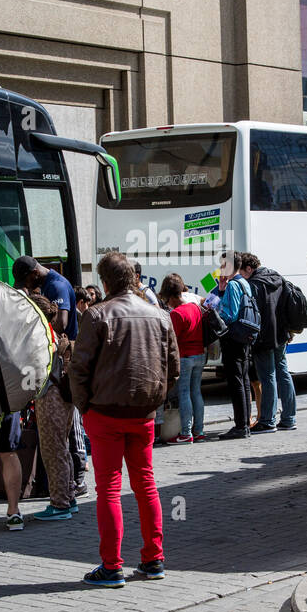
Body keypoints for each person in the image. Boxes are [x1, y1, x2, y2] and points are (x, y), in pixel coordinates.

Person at [70, 251, 179, 587]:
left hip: (105, 412)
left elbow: (79, 369)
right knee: (145, 484)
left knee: (109, 489)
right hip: (143, 412)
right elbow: (172, 367)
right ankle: (153, 559)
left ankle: (112, 565)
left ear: (104, 282)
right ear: (133, 278)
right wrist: (155, 398)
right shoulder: (159, 315)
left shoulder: (98, 315)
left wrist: (84, 406)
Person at [28, 293, 79, 520]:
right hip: (64, 396)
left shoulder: (41, 334)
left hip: (51, 396)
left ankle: (59, 505)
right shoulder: (54, 331)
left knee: (53, 450)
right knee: (62, 447)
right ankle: (69, 497)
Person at [241, 253, 296, 433]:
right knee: (283, 373)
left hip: (264, 337)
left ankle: (267, 420)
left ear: (249, 268)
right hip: (281, 335)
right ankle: (289, 418)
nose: (241, 275)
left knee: (267, 377)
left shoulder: (254, 284)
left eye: (242, 271)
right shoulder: (276, 277)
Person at [159, 273, 205, 443]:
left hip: (185, 356)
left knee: (184, 393)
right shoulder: (194, 307)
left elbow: (172, 340)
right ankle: (199, 430)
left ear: (171, 296)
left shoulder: (176, 314)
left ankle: (186, 432)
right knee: (196, 392)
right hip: (200, 354)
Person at [214, 250, 254, 440]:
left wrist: (216, 307)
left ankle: (240, 426)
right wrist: (221, 291)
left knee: (236, 381)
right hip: (245, 336)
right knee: (244, 381)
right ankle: (245, 423)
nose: (221, 269)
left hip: (233, 337)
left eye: (223, 265)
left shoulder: (233, 286)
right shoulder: (245, 283)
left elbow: (229, 315)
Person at [12, 255, 77, 341]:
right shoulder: (45, 284)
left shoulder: (57, 286)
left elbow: (61, 324)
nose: (26, 287)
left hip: (65, 350)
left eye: (25, 283)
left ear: (35, 273)